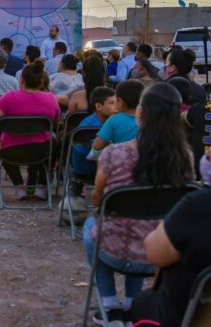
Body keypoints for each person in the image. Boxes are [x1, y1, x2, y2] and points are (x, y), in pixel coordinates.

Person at [82, 83, 193, 323]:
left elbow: (97, 198)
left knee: (92, 227)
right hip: (160, 253)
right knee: (142, 224)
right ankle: (133, 304)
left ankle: (110, 304)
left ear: (140, 114)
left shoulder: (114, 154)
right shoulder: (184, 158)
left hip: (115, 251)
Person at [129, 187, 211, 325]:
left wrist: (168, 224)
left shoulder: (199, 205)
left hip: (184, 318)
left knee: (141, 302)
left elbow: (154, 254)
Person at [0, 61, 61, 199]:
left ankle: (19, 186)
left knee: (0, 146)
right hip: (42, 150)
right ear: (41, 81)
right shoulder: (51, 99)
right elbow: (56, 121)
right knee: (54, 143)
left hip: (11, 151)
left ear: (22, 80)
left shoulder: (9, 97)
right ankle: (42, 186)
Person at [67, 87, 117, 198]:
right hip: (86, 168)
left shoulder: (111, 121)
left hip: (97, 167)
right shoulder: (89, 125)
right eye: (111, 103)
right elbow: (96, 151)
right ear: (98, 106)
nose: (116, 107)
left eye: (117, 102)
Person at [91, 80, 145, 157]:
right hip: (146, 161)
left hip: (122, 161)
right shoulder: (150, 118)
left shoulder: (114, 119)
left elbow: (97, 146)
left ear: (120, 101)